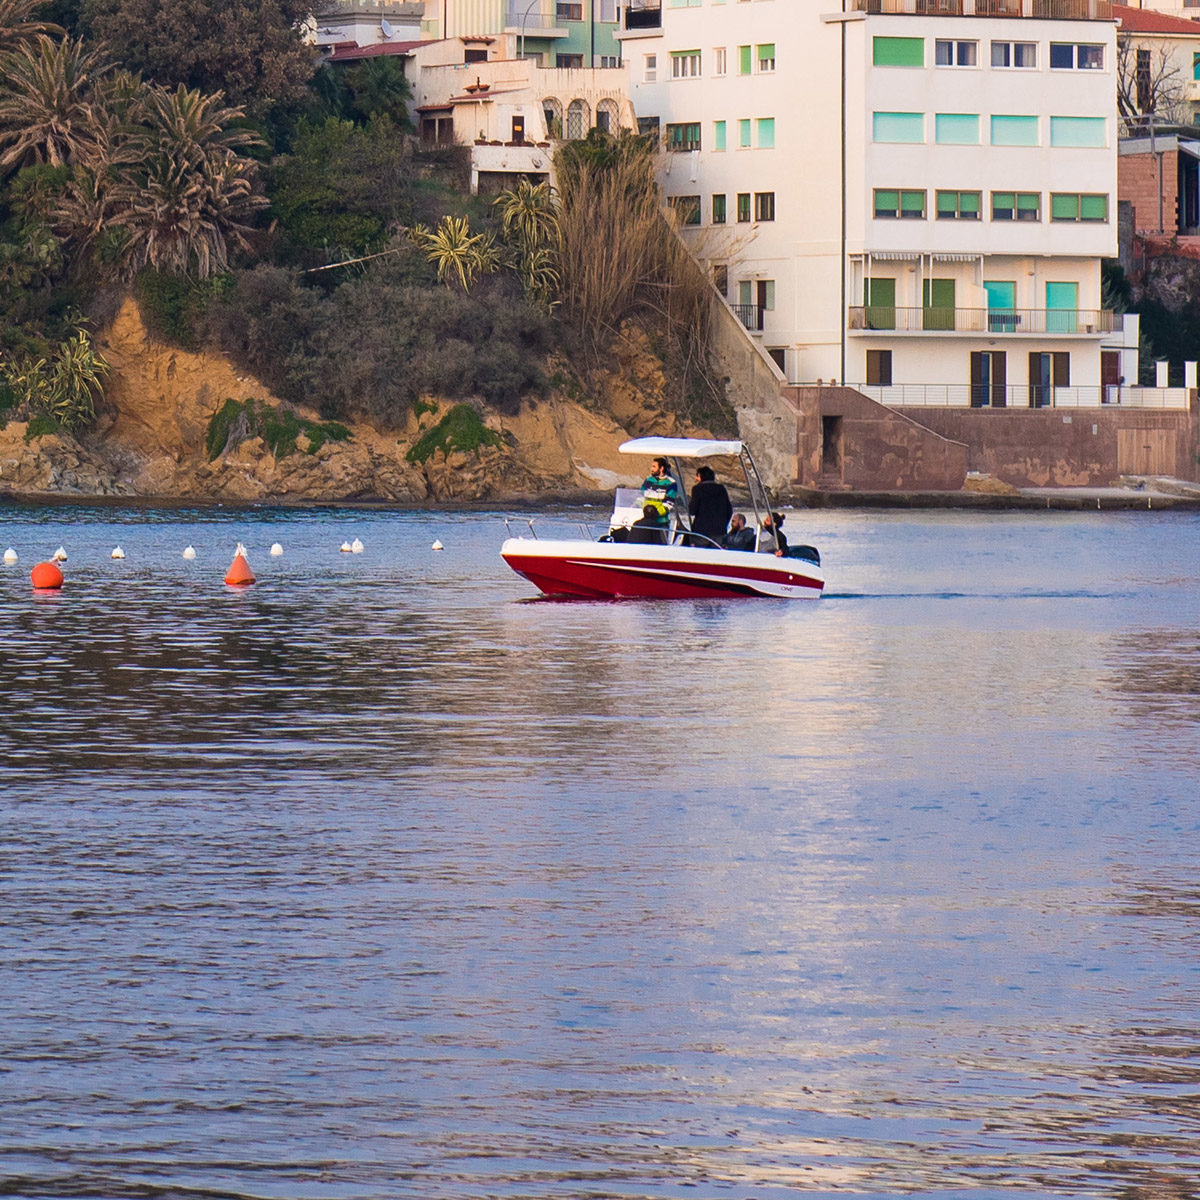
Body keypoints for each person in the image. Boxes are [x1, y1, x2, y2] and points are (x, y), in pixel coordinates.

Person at [688, 465, 732, 546]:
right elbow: (729, 510)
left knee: (700, 556)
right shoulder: (721, 489)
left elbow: (692, 510)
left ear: (700, 476)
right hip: (719, 530)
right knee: (716, 556)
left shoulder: (697, 489)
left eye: (697, 476)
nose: (696, 479)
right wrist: (723, 523)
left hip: (701, 531)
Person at [640, 457, 679, 528]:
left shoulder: (671, 483)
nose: (651, 469)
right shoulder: (648, 480)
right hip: (645, 520)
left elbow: (668, 505)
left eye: (654, 467)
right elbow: (640, 496)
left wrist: (653, 514)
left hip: (660, 523)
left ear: (661, 468)